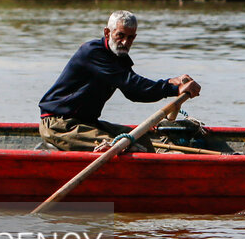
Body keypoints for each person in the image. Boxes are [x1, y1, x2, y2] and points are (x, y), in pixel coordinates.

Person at [38, 10, 201, 151]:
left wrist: (173, 82)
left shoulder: (120, 58)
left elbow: (133, 92)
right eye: (120, 36)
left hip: (86, 123)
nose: (125, 42)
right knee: (120, 146)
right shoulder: (93, 53)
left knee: (142, 140)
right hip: (58, 124)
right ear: (107, 33)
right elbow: (133, 85)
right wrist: (173, 89)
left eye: (130, 38)